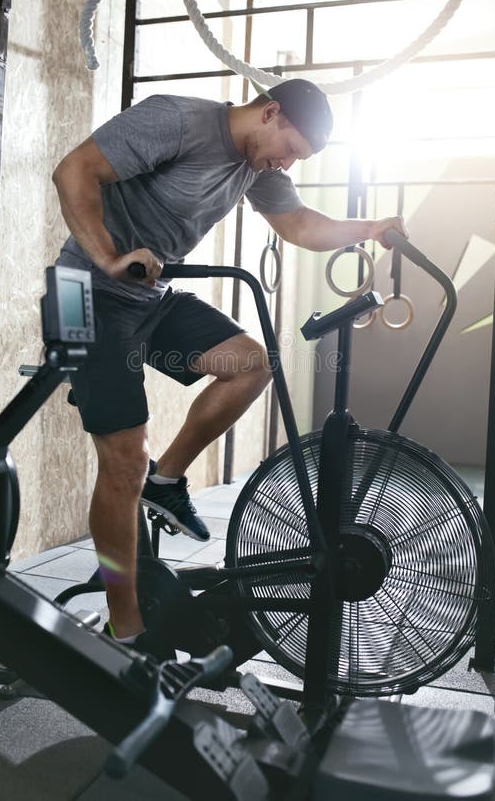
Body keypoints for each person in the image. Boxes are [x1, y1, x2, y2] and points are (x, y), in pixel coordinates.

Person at [52, 78, 407, 653]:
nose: (287, 163)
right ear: (270, 112)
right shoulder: (176, 120)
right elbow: (75, 170)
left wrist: (369, 230)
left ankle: (166, 479)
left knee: (251, 362)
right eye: (290, 149)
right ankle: (126, 627)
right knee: (122, 464)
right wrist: (111, 257)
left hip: (146, 294)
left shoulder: (257, 169)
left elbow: (297, 225)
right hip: (81, 290)